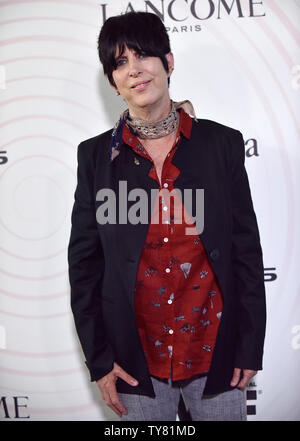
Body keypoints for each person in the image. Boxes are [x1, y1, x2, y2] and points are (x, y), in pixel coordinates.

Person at [68, 11, 266, 421]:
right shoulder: (95, 157)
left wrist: (249, 346)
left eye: (143, 55)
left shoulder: (221, 144)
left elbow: (245, 251)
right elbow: (84, 265)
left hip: (217, 356)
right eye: (120, 63)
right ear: (111, 81)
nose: (134, 70)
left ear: (168, 62)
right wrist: (100, 359)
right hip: (134, 362)